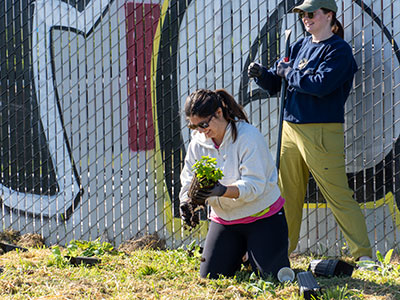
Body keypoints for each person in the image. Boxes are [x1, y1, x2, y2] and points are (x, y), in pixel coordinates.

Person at [248, 0, 372, 261]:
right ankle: (281, 253)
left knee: (337, 194)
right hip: (291, 128)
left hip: (321, 131)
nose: (306, 18)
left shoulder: (338, 50)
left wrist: (288, 72)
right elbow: (277, 84)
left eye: (312, 13)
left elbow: (320, 85)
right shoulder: (299, 45)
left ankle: (364, 256)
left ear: (329, 15)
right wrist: (262, 74)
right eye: (303, 14)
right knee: (286, 195)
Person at [179, 89, 290, 279]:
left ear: (219, 113)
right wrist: (187, 201)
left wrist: (222, 191)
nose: (200, 131)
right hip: (225, 220)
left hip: (262, 217)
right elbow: (188, 178)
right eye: (194, 127)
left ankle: (253, 253)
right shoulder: (197, 143)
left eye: (204, 124)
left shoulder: (248, 136)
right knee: (210, 277)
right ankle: (244, 254)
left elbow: (254, 186)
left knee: (272, 278)